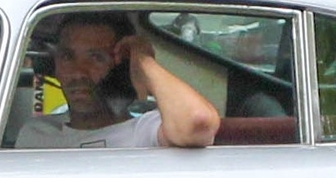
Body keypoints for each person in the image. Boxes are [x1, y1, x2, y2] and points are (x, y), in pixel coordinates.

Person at [12, 14, 220, 149]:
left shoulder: (144, 131)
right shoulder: (36, 134)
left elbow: (197, 123)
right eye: (68, 57)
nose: (77, 73)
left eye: (96, 58)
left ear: (122, 67)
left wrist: (143, 61)